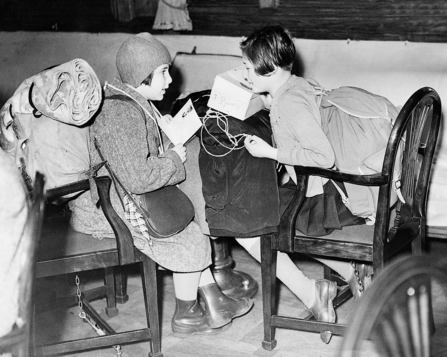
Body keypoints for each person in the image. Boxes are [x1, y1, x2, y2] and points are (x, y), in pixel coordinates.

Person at [70, 33, 253, 336]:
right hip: (107, 208)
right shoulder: (119, 113)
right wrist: (172, 159)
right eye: (163, 72)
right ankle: (187, 314)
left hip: (123, 194)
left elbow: (135, 160)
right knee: (185, 236)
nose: (170, 80)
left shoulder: (132, 103)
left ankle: (211, 302)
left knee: (189, 228)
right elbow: (139, 178)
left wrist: (167, 134)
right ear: (141, 75)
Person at [235, 25, 397, 342]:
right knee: (266, 208)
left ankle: (313, 294)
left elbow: (321, 156)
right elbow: (303, 111)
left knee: (245, 224)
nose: (244, 73)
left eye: (247, 67)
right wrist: (270, 101)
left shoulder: (290, 103)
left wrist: (271, 151)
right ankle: (352, 271)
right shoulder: (297, 85)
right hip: (339, 189)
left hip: (325, 199)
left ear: (267, 68)